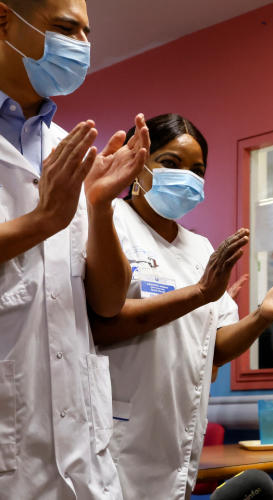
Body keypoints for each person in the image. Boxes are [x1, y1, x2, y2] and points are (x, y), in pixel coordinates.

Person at [88, 114, 273, 499]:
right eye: (171, 163)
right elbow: (102, 324)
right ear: (137, 164)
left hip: (177, 436)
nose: (187, 177)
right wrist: (198, 293)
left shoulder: (199, 248)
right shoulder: (110, 222)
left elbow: (216, 344)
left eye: (197, 170)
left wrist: (262, 315)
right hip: (117, 435)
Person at [0, 0, 149, 497]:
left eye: (86, 33)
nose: (81, 47)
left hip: (85, 461)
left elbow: (106, 303)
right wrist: (43, 221)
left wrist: (101, 206)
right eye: (66, 28)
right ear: (5, 20)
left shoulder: (70, 149)